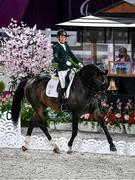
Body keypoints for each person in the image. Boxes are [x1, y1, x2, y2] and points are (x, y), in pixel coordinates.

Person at [52, 29, 83, 111]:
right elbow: (56, 58)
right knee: (63, 85)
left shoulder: (66, 45)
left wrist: (78, 62)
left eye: (64, 37)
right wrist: (65, 62)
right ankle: (60, 102)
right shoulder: (56, 47)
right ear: (58, 38)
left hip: (68, 68)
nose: (63, 38)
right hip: (61, 69)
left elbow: (71, 55)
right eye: (61, 37)